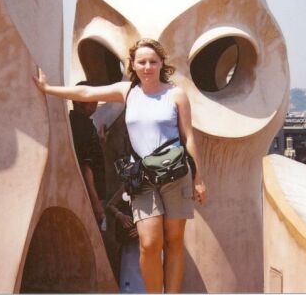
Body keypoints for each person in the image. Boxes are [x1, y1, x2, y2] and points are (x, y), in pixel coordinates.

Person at [33, 38, 206, 293]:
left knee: (174, 241)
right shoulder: (128, 92)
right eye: (142, 62)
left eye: (153, 62)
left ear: (161, 64)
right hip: (143, 178)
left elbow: (189, 137)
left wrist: (199, 179)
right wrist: (49, 89)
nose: (147, 67)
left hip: (175, 174)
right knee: (149, 243)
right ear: (133, 65)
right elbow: (86, 93)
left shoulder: (175, 94)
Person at [69, 83, 106, 226]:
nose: (96, 103)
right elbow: (85, 166)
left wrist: (99, 142)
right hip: (89, 197)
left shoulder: (79, 123)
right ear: (78, 100)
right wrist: (95, 202)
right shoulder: (82, 126)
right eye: (92, 98)